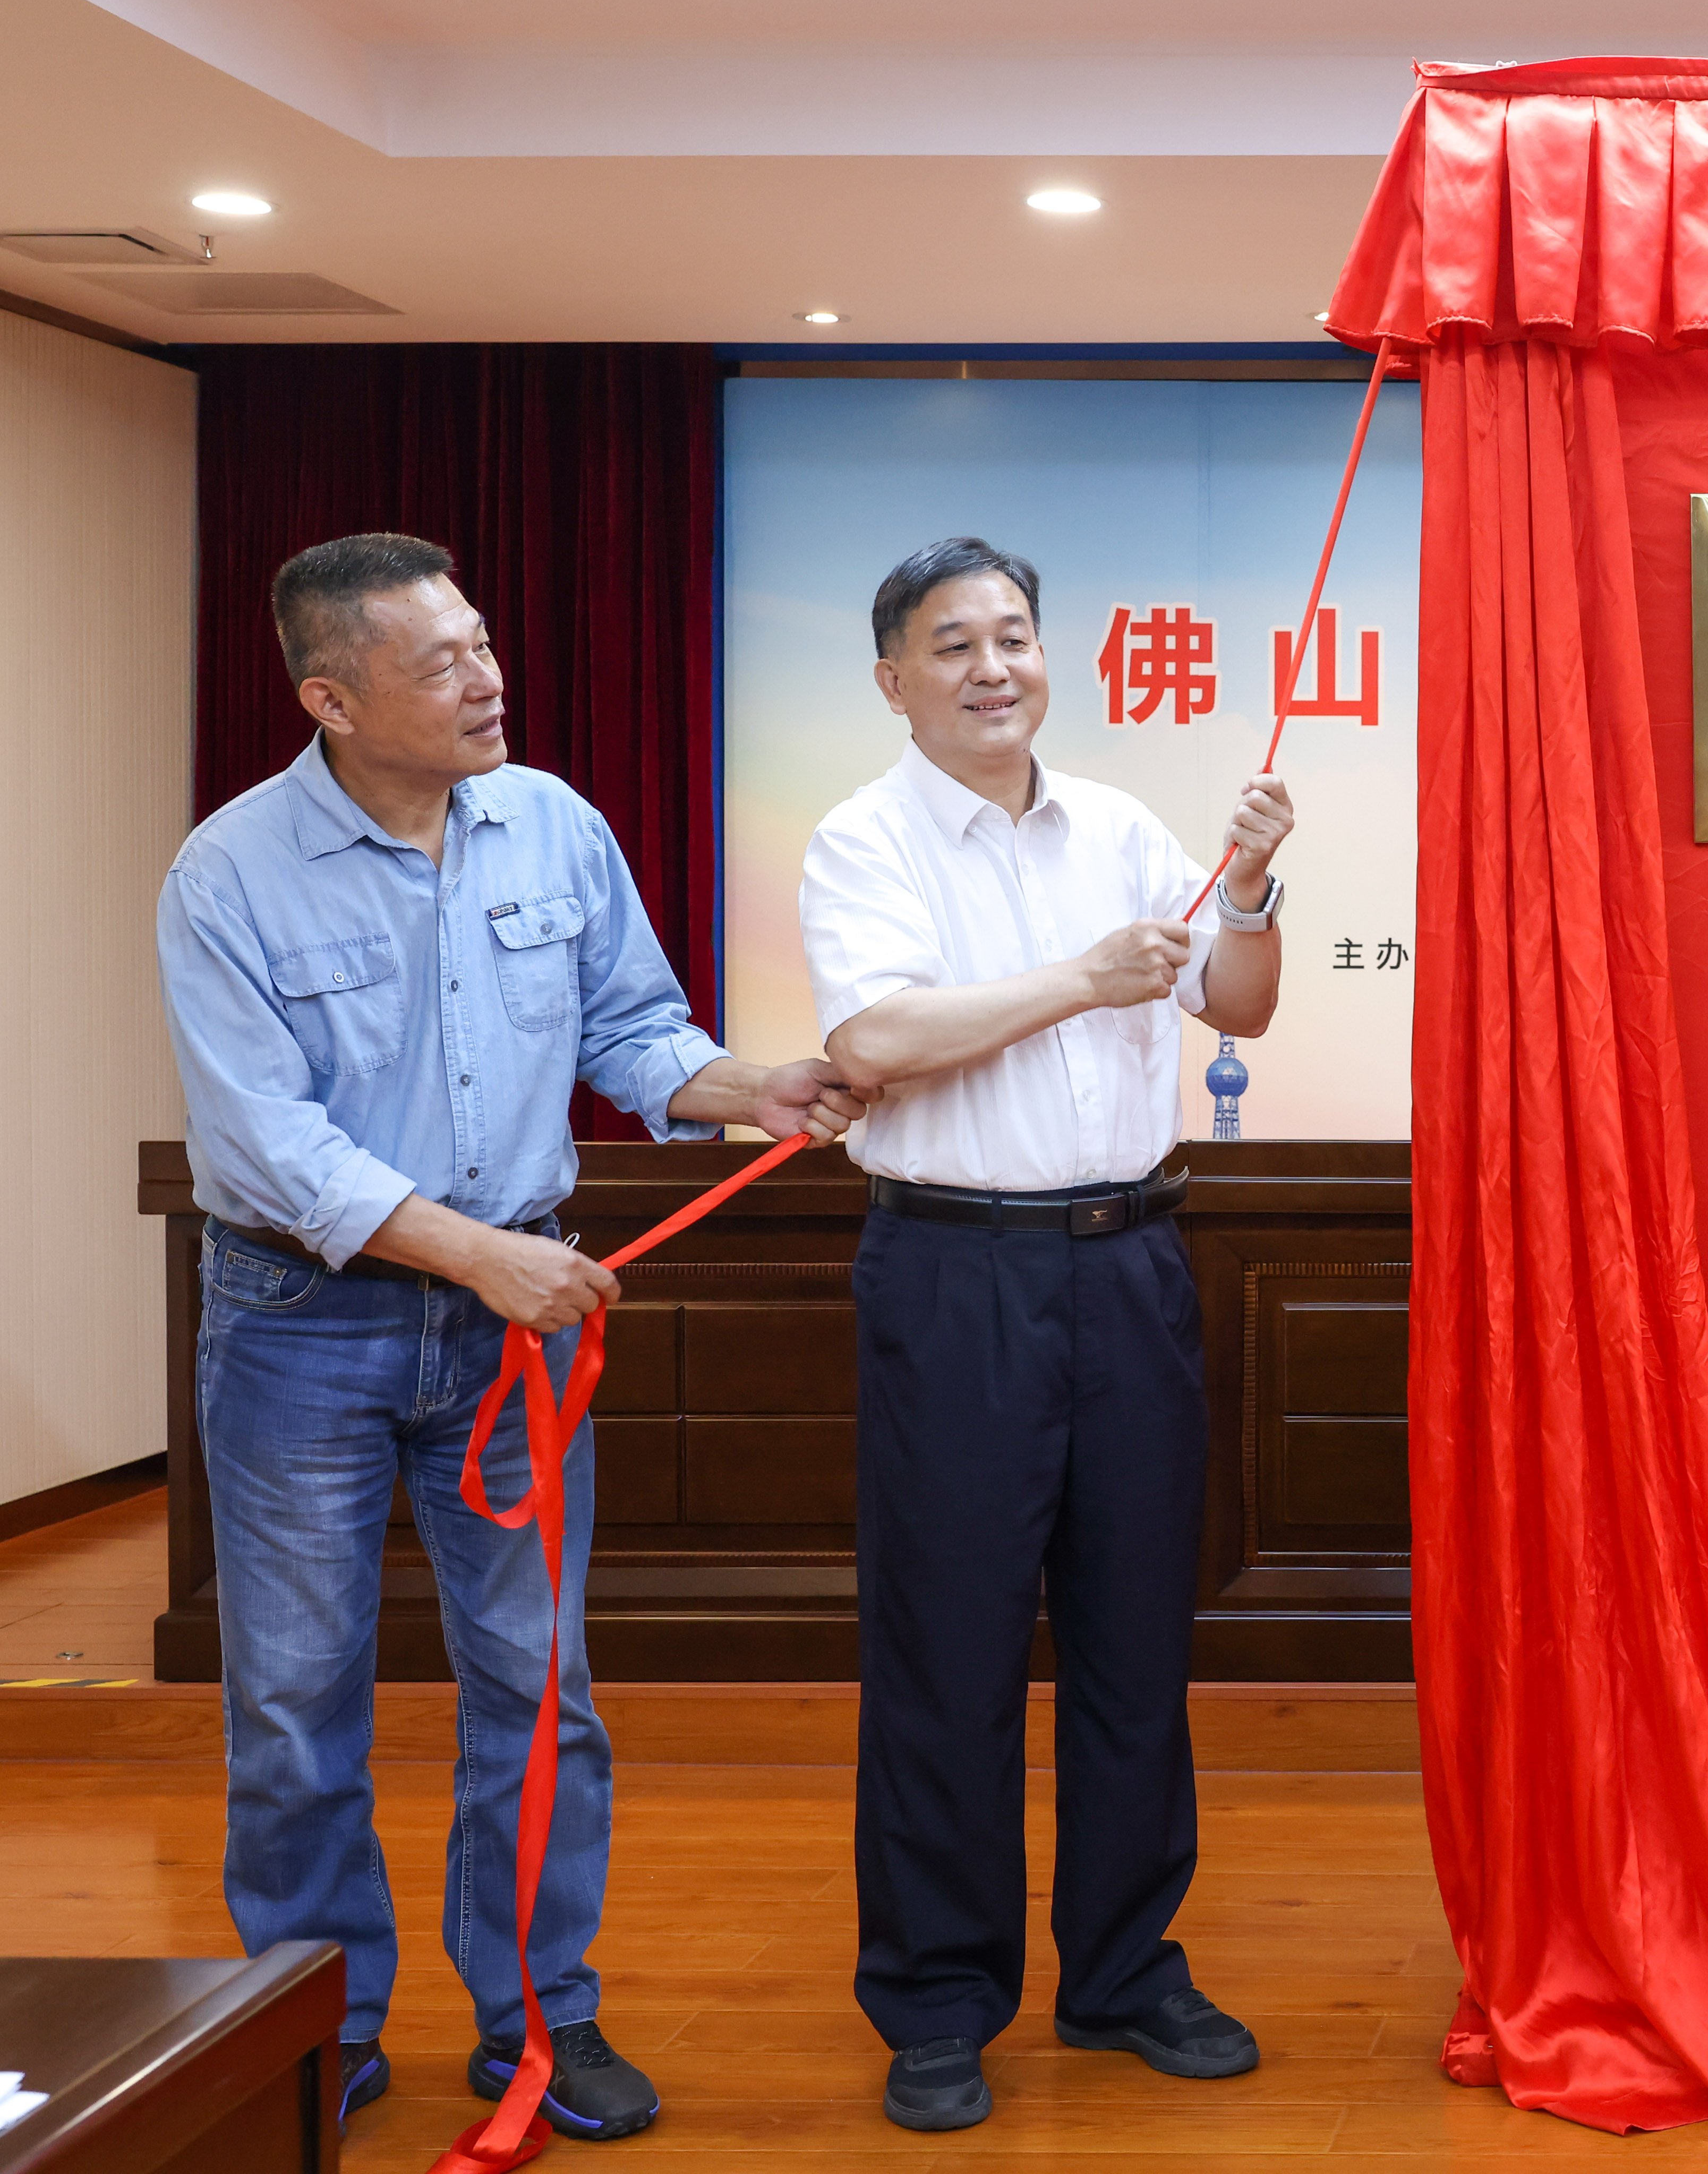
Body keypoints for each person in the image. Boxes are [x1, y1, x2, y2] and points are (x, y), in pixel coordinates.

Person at [156, 531, 861, 2140]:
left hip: (511, 1324)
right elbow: (275, 1149)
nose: (488, 679)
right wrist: (482, 1259)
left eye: (484, 643)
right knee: (291, 1703)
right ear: (331, 697)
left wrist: (754, 1088)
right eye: (442, 662)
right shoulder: (228, 876)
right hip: (301, 1330)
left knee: (540, 1689)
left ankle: (545, 2018)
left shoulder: (553, 823)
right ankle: (311, 2031)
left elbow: (633, 1029)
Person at [798, 537, 1294, 2134]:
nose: (995, 665)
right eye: (956, 644)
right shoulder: (864, 842)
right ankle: (940, 2001)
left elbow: (1243, 1004)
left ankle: (1128, 1971)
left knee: (1138, 1636)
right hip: (957, 1279)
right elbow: (876, 1040)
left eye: (1014, 635)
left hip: (1133, 1265)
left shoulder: (1127, 826)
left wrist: (1259, 889)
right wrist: (1080, 978)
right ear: (896, 679)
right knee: (946, 1654)